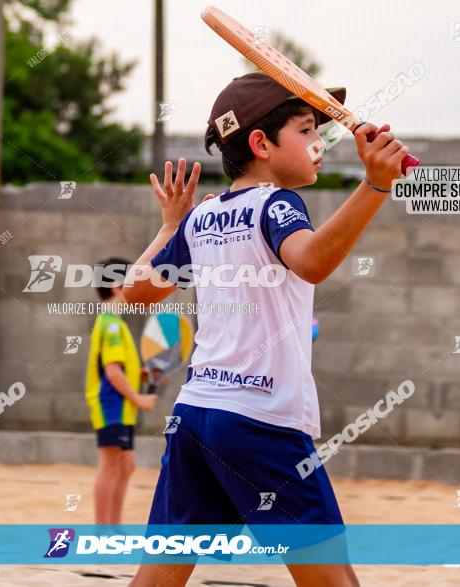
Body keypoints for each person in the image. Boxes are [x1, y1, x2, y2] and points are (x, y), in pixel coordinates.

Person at [124, 72, 409, 586]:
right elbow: (313, 261)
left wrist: (170, 225)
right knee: (331, 576)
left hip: (196, 417)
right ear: (261, 143)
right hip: (262, 423)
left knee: (161, 574)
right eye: (305, 130)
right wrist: (375, 185)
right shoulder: (276, 203)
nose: (318, 142)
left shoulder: (202, 217)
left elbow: (135, 291)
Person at [85, 257, 157, 524]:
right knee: (110, 467)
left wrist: (140, 377)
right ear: (117, 285)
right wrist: (138, 398)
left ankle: (113, 529)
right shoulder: (112, 324)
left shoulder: (113, 321)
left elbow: (117, 369)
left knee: (126, 466)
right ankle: (104, 532)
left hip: (119, 408)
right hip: (111, 406)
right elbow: (113, 372)